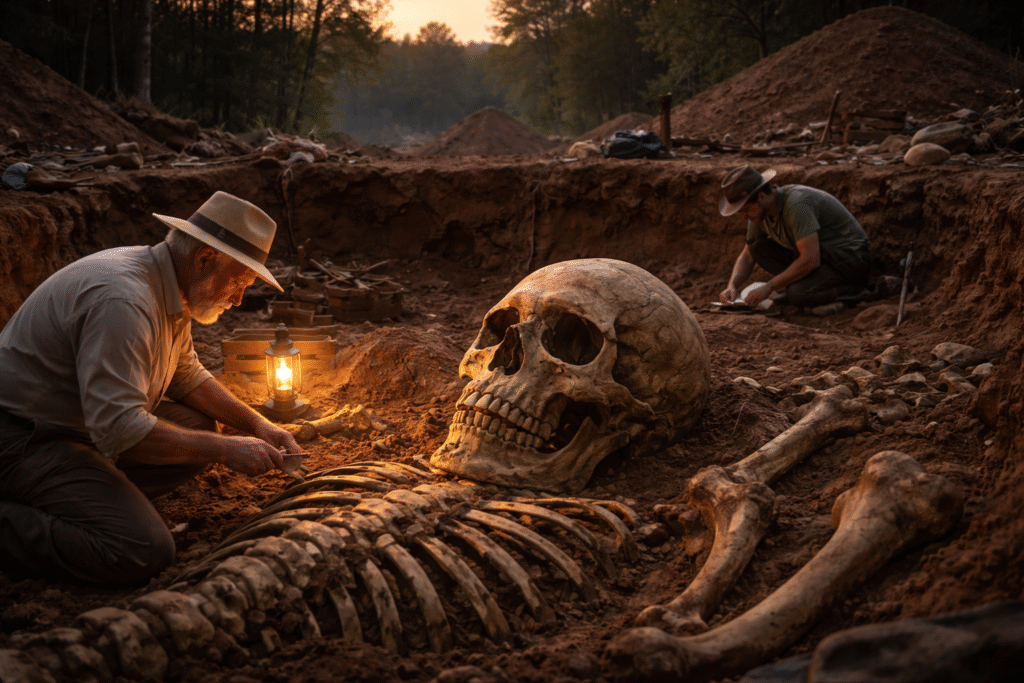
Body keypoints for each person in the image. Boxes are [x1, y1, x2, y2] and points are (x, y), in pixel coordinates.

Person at [0, 191, 302, 585]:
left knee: (197, 429)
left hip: (77, 427)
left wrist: (256, 424)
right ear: (205, 259)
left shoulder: (170, 286)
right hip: (21, 437)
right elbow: (119, 429)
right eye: (238, 282)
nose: (239, 299)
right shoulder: (124, 300)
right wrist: (227, 450)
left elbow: (185, 374)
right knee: (139, 549)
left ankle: (93, 494)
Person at [718, 165, 871, 310]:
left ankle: (859, 288)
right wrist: (732, 286)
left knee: (797, 293)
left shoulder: (797, 205)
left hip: (850, 258)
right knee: (757, 248)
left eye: (745, 210)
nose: (744, 218)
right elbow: (747, 256)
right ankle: (809, 285)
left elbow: (811, 258)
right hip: (820, 258)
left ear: (762, 196)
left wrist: (769, 287)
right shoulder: (759, 214)